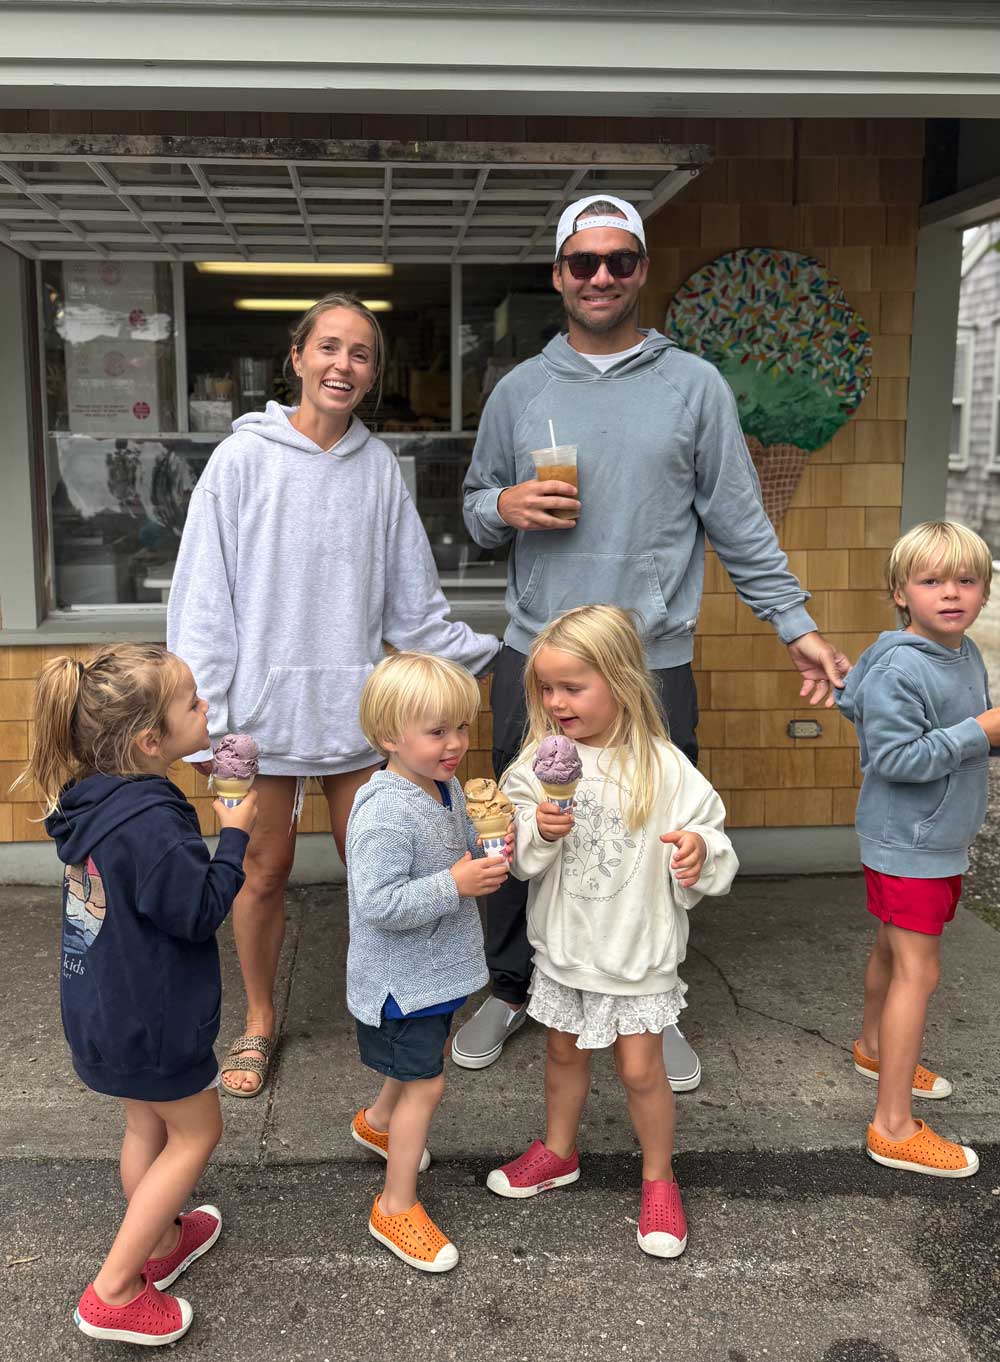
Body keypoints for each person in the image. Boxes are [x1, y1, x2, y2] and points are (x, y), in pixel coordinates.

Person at [457, 192, 850, 1088]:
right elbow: (476, 509)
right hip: (538, 655)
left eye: (620, 261)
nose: (601, 277)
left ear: (641, 271)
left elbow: (741, 523)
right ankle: (514, 985)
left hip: (651, 660)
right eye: (583, 262)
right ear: (558, 275)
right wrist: (504, 506)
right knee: (525, 827)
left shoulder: (694, 386)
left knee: (663, 834)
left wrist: (798, 627)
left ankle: (652, 998)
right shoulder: (519, 391)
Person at [167, 294, 499, 1097]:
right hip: (259, 721)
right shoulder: (241, 461)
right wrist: (206, 719)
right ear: (298, 357)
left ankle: (401, 1007)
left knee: (386, 868)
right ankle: (256, 1021)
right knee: (263, 874)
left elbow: (412, 607)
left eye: (360, 353)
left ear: (373, 372)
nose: (342, 365)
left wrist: (494, 657)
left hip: (358, 721)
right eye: (328, 347)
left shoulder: (378, 469)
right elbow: (204, 600)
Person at [15, 646, 257, 1344]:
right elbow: (196, 912)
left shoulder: (93, 802)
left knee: (145, 1127)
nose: (206, 709)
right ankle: (114, 1290)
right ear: (151, 742)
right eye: (191, 705)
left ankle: (160, 1246)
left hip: (101, 1010)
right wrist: (234, 835)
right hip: (153, 1020)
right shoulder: (155, 822)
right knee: (197, 1131)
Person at [486, 606, 737, 1256]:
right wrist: (538, 829)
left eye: (573, 686)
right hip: (567, 947)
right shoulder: (536, 767)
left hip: (638, 952)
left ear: (621, 680)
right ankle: (558, 1151)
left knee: (640, 1070)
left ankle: (659, 1176)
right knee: (563, 1054)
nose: (556, 701)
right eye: (546, 687)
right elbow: (513, 855)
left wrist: (698, 853)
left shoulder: (664, 766)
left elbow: (714, 835)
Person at [838, 521, 998, 1179]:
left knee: (892, 949)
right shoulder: (905, 661)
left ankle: (875, 1046)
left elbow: (861, 703)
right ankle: (893, 1125)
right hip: (910, 841)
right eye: (931, 581)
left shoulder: (962, 653)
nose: (951, 593)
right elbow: (895, 756)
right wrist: (980, 731)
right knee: (918, 969)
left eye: (967, 580)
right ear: (901, 593)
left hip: (933, 836)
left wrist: (986, 734)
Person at [344, 653, 511, 1271]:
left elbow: (460, 845)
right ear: (391, 737)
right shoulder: (385, 811)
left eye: (461, 728)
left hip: (430, 976)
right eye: (438, 732)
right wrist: (456, 884)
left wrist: (494, 842)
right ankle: (394, 1205)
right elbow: (378, 903)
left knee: (420, 1060)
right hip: (400, 984)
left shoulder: (440, 788)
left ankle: (378, 1123)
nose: (456, 744)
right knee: (428, 1081)